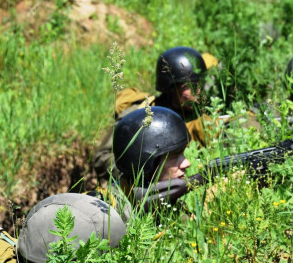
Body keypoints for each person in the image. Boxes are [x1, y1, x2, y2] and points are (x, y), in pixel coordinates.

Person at [93, 47, 217, 182]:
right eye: (188, 87)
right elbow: (102, 157)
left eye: (199, 85)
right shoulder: (141, 114)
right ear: (170, 88)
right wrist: (142, 174)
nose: (197, 92)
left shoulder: (199, 112)